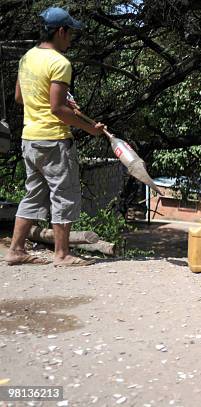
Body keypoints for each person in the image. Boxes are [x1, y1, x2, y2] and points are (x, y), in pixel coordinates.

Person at [5, 7, 106, 266]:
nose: (71, 38)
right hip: (54, 140)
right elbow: (57, 109)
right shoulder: (60, 63)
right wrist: (89, 127)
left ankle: (16, 250)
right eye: (70, 32)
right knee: (63, 194)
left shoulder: (27, 57)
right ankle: (62, 254)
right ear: (61, 31)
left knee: (33, 195)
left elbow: (19, 97)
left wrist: (62, 105)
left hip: (30, 138)